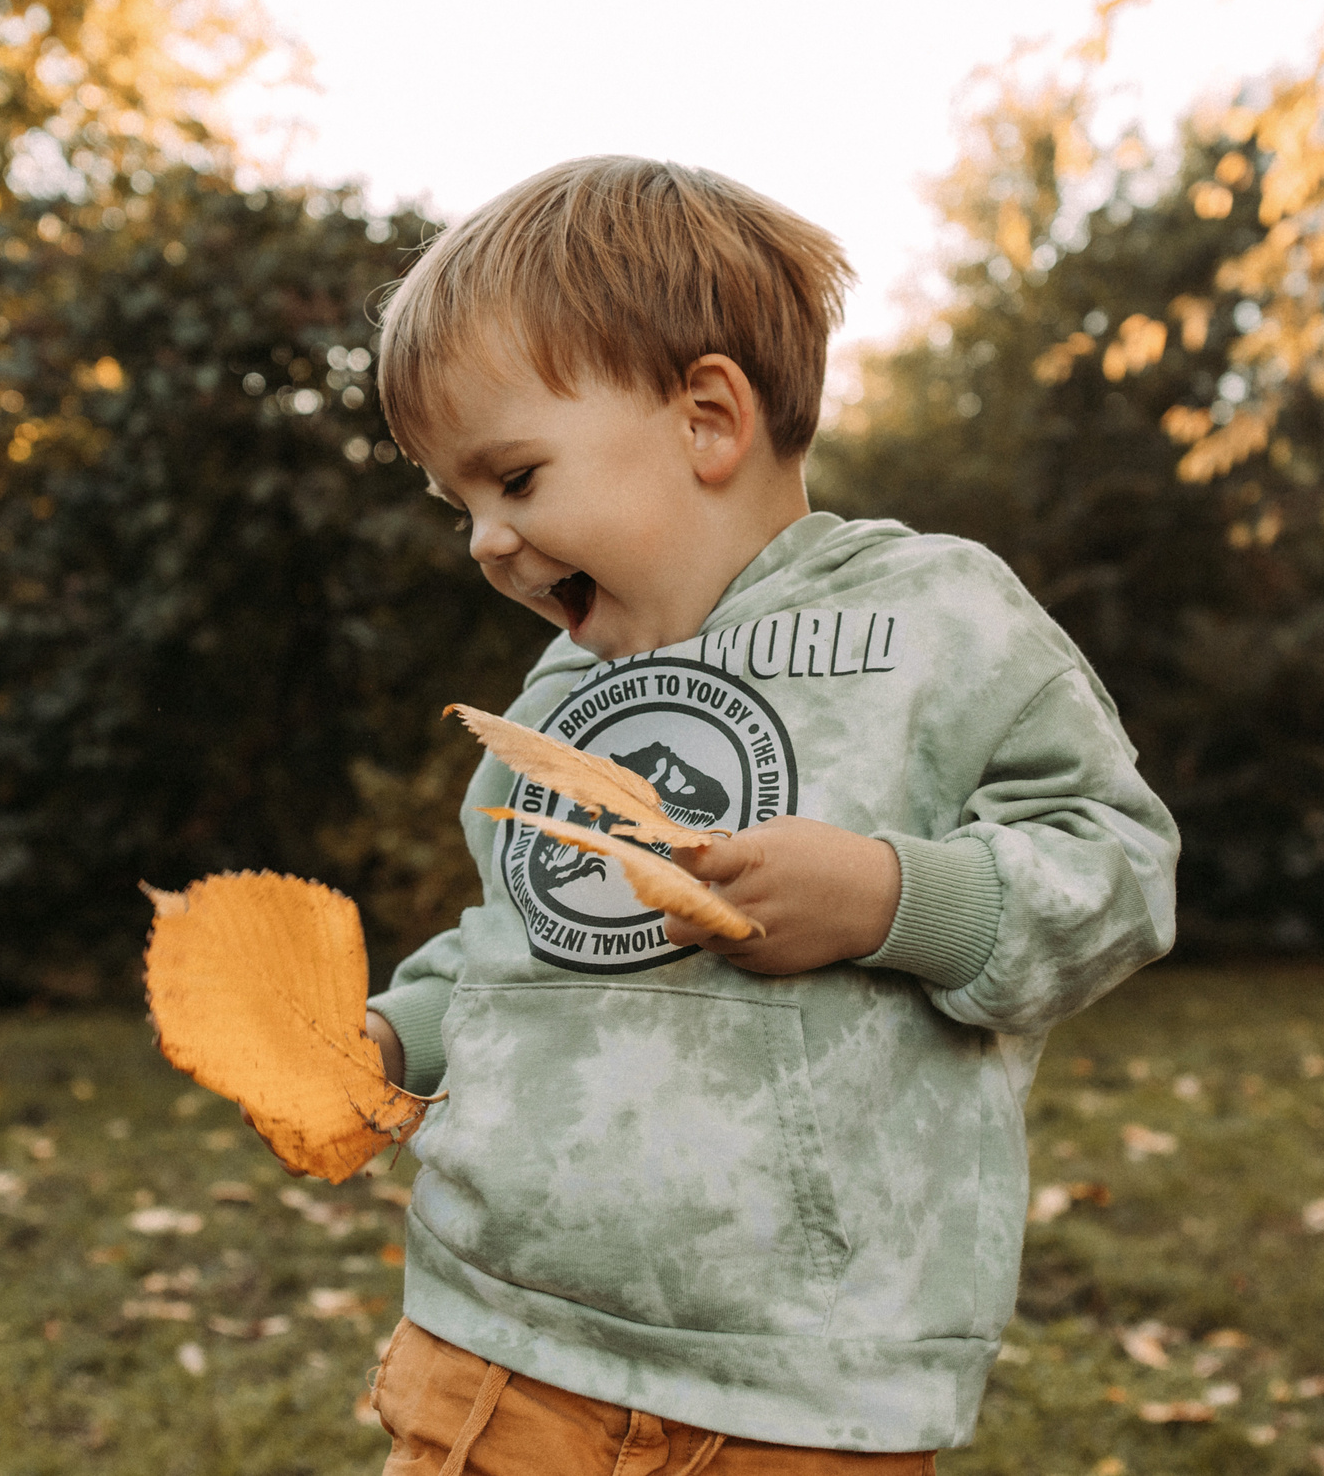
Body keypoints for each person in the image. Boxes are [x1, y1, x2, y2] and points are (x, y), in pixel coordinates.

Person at [358, 155, 1178, 1474]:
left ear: (707, 418)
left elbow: (1118, 869)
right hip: (502, 1344)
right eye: (459, 505)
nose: (485, 542)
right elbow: (520, 940)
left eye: (513, 479)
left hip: (808, 1380)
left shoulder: (936, 622)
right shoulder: (556, 697)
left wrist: (893, 901)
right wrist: (392, 1038)